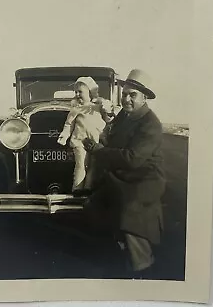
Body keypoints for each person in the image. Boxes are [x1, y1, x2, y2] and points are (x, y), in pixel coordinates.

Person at [82, 69, 166, 279]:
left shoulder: (151, 124)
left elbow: (133, 158)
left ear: (144, 97)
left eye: (133, 95)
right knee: (92, 204)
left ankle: (142, 267)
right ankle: (119, 251)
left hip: (143, 180)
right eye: (125, 93)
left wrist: (100, 151)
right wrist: (100, 138)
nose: (127, 99)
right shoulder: (125, 115)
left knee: (130, 215)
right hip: (121, 175)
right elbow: (113, 138)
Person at [57, 76, 112, 194]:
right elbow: (69, 124)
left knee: (93, 164)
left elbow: (107, 119)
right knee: (81, 164)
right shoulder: (76, 109)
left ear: (90, 92)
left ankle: (88, 187)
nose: (77, 94)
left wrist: (107, 110)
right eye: (75, 92)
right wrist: (64, 135)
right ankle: (77, 188)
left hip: (95, 140)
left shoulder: (98, 107)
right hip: (80, 140)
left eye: (80, 92)